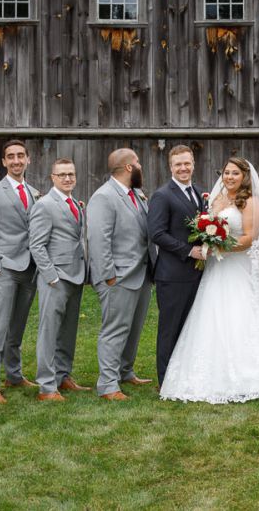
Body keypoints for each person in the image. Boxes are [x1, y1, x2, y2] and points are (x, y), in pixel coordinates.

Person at [160, 158, 259, 403]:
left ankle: (257, 372)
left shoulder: (252, 202)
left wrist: (218, 247)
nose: (230, 177)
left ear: (245, 176)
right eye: (226, 173)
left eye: (235, 173)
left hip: (239, 267)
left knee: (242, 314)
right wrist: (208, 242)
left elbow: (248, 239)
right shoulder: (216, 199)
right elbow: (207, 227)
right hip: (216, 270)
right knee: (212, 315)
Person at [0, 139, 40, 404]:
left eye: (20, 156)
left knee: (18, 325)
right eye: (10, 157)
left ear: (28, 159)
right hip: (6, 269)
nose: (16, 161)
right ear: (4, 162)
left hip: (30, 268)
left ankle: (13, 374)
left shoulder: (35, 192)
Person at [87, 148, 154, 401]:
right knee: (114, 330)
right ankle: (107, 384)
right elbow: (98, 239)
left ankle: (125, 371)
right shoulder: (104, 197)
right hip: (118, 277)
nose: (140, 166)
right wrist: (109, 276)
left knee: (133, 329)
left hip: (142, 273)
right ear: (128, 168)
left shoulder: (137, 194)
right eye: (138, 162)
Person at [28, 158, 90, 401]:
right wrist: (51, 276)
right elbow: (37, 244)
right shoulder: (44, 205)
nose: (67, 178)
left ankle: (63, 376)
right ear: (52, 177)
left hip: (75, 274)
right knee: (50, 331)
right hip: (56, 277)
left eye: (71, 174)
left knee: (68, 330)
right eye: (62, 174)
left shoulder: (75, 203)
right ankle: (46, 385)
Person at [145, 145, 206, 387]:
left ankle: (185, 374)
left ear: (193, 164)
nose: (183, 168)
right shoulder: (163, 195)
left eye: (187, 163)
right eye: (178, 164)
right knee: (170, 329)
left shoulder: (199, 193)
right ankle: (166, 380)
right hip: (172, 275)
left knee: (189, 327)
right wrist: (189, 251)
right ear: (170, 167)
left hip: (197, 274)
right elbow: (156, 233)